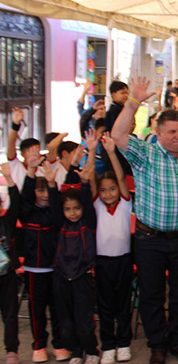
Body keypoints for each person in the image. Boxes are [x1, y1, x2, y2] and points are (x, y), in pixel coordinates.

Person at [112, 76, 178, 364]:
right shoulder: (145, 154)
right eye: (172, 132)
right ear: (158, 131)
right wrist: (133, 103)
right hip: (149, 238)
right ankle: (157, 344)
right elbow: (117, 136)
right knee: (152, 294)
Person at [43, 159, 100, 364]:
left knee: (84, 320)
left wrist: (85, 184)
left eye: (76, 208)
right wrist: (51, 185)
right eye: (68, 209)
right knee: (65, 321)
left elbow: (86, 202)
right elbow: (56, 209)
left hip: (82, 278)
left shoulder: (88, 223)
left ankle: (91, 351)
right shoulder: (60, 225)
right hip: (61, 278)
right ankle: (75, 351)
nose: (73, 213)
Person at [18, 153, 69, 362]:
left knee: (58, 310)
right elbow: (24, 199)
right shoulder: (27, 214)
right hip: (34, 270)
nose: (44, 194)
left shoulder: (55, 214)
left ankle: (59, 344)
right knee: (36, 310)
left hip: (56, 269)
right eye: (40, 190)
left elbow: (57, 206)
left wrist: (51, 184)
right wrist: (30, 173)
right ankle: (39, 345)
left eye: (47, 190)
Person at [93, 133, 135, 364]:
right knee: (105, 306)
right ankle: (107, 345)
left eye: (112, 189)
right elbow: (91, 179)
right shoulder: (97, 205)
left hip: (124, 261)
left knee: (123, 305)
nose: (108, 193)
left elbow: (120, 177)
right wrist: (92, 152)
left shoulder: (125, 202)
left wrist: (111, 152)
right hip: (102, 262)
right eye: (104, 190)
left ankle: (123, 343)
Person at [0, 163, 21, 364]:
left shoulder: (6, 222)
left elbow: (16, 202)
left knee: (10, 314)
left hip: (7, 276)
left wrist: (9, 179)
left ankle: (11, 350)